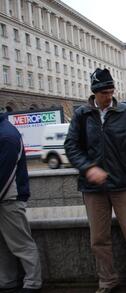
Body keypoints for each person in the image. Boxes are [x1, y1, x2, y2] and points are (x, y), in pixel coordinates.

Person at [64, 68, 126, 293]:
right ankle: (107, 281)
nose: (109, 96)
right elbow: (71, 147)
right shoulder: (82, 115)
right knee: (99, 239)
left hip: (123, 184)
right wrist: (88, 168)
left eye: (111, 91)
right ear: (94, 93)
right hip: (93, 188)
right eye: (104, 92)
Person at [0, 107, 42, 293]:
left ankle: (33, 283)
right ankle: (7, 281)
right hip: (5, 198)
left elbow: (5, 175)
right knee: (3, 245)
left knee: (21, 244)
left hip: (9, 198)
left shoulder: (7, 136)